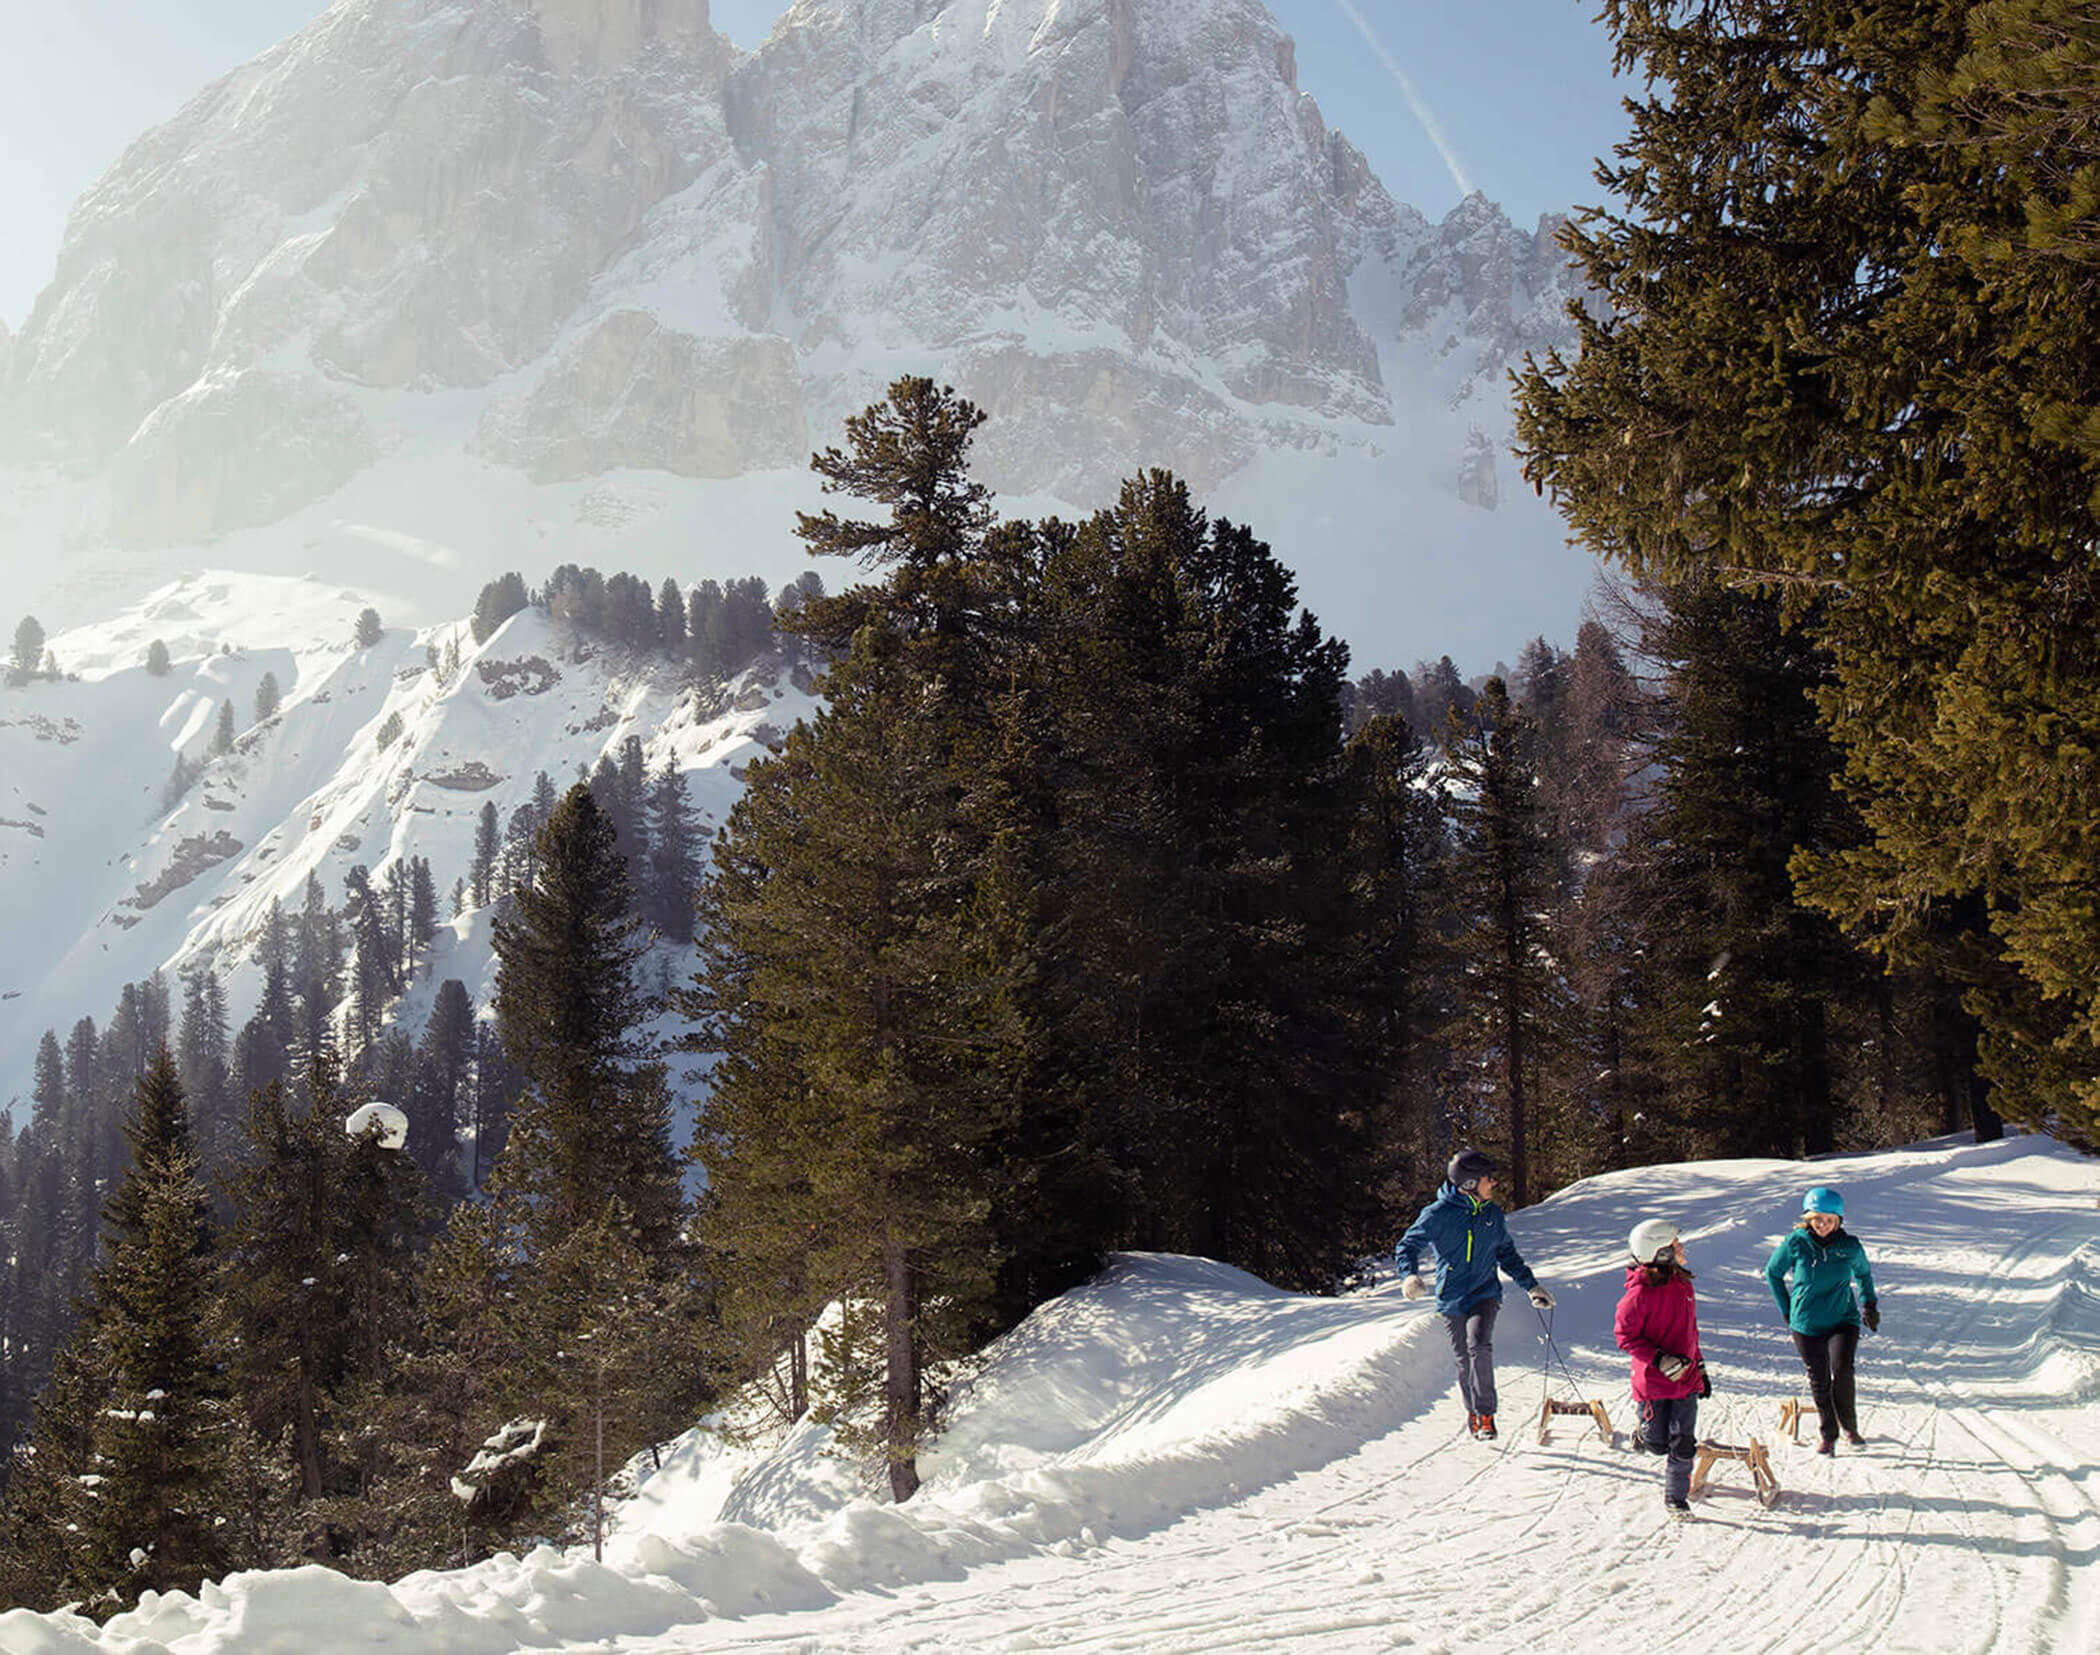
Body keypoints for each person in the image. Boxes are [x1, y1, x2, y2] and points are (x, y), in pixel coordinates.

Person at [1395, 1147, 1553, 1440]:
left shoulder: (1492, 1215)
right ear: (1469, 1184)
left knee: (1479, 1346)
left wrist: (1531, 1286)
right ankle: (1472, 1411)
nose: (1493, 1183)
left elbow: (1507, 1254)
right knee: (1463, 1359)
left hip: (1484, 1293)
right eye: (1487, 1179)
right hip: (1451, 1297)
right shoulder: (1437, 1215)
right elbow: (1407, 1246)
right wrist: (1410, 1276)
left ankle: (1486, 1415)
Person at [1764, 1186, 1880, 1453]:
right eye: (1817, 1219)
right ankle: (1829, 1434)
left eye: (1829, 1220)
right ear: (1808, 1218)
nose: (1823, 1225)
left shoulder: (1849, 1246)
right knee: (1819, 1379)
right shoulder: (1796, 1242)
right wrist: (1787, 1308)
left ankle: (1849, 1427)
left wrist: (1870, 1304)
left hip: (1843, 1320)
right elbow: (1773, 1273)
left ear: (1838, 1220)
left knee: (1843, 1370)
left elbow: (1863, 1274)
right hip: (1806, 1324)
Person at [1614, 1218, 1708, 1518]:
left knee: (1683, 1443)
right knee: (1657, 1444)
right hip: (1654, 1383)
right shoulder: (1638, 1295)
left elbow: (1690, 1332)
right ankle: (1644, 1436)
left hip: (1685, 1380)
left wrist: (1700, 1368)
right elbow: (1625, 1337)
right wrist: (1659, 1359)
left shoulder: (1683, 1284)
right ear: (1660, 1252)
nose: (1681, 1247)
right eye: (1675, 1245)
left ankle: (1675, 1498)